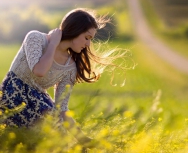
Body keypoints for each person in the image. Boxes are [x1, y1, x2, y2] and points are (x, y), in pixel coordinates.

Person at [0, 8, 127, 146]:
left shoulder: (70, 68)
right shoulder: (35, 38)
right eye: (86, 38)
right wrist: (53, 44)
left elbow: (62, 108)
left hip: (39, 104)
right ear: (75, 30)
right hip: (12, 97)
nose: (88, 44)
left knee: (57, 131)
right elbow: (40, 70)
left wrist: (83, 139)